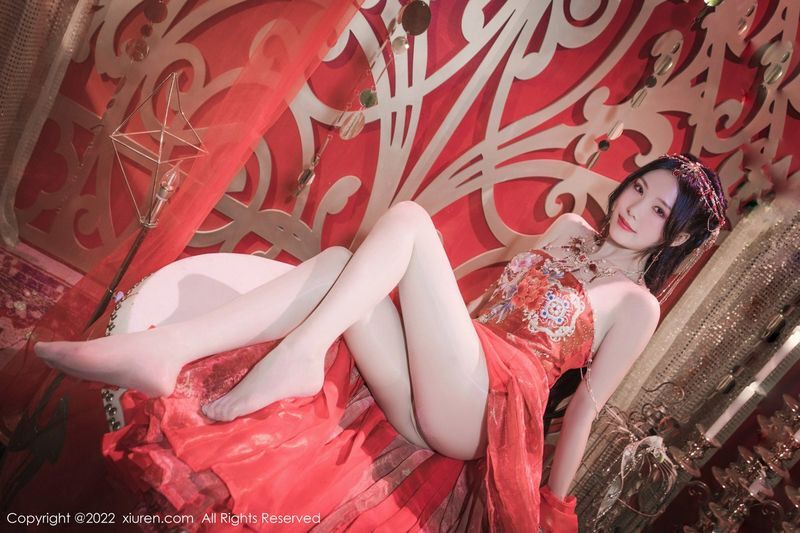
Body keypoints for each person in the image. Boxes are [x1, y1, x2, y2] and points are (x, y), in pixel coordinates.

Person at [32, 153, 727, 531]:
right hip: (454, 368)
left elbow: (585, 411)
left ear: (678, 236)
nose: (635, 207)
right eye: (640, 188)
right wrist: (418, 325)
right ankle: (168, 351)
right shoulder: (569, 228)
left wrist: (552, 511)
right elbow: (480, 312)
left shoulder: (636, 304)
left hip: (486, 408)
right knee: (340, 266)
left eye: (658, 210)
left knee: (412, 221)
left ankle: (299, 355)